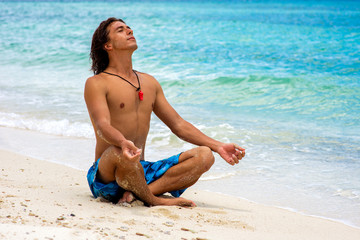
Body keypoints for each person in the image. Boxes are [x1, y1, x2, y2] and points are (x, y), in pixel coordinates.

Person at [84, 17, 245, 207]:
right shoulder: (97, 83)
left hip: (141, 172)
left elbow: (178, 124)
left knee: (204, 155)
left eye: (129, 27)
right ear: (107, 45)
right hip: (108, 175)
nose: (129, 31)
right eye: (120, 30)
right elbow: (102, 125)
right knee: (116, 151)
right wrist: (122, 142)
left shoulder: (149, 82)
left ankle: (138, 194)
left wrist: (218, 146)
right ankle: (153, 199)